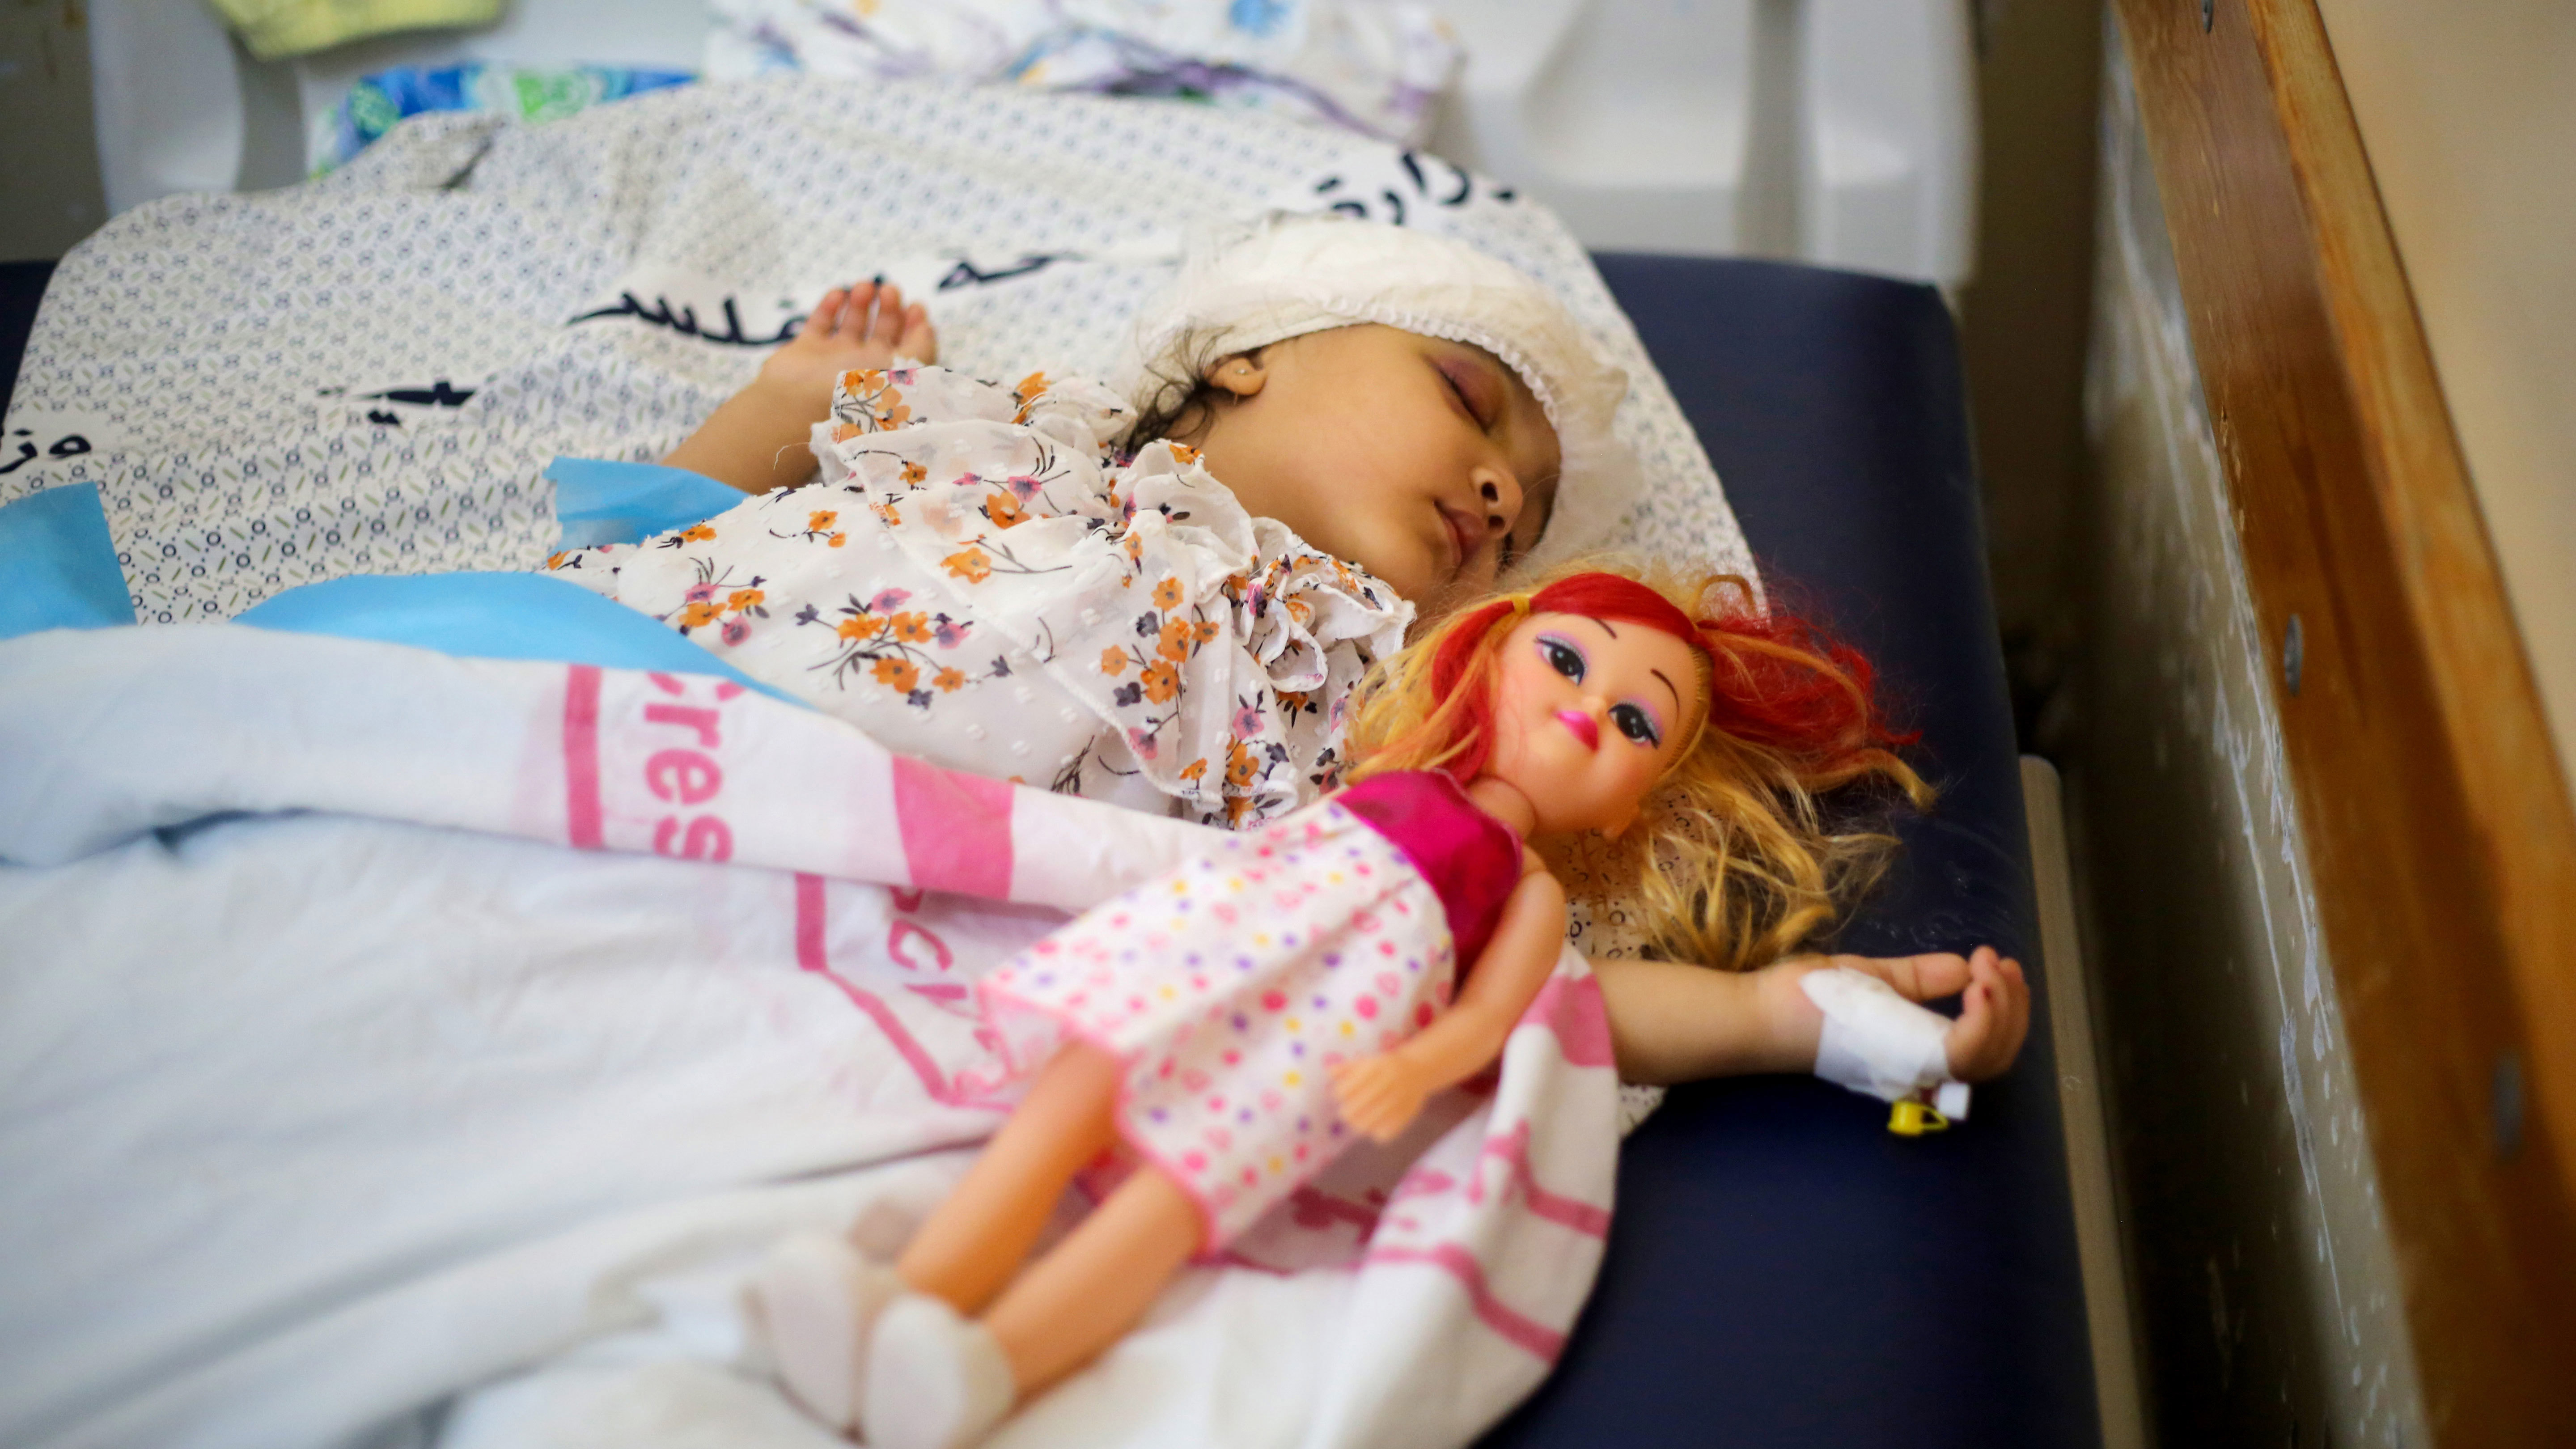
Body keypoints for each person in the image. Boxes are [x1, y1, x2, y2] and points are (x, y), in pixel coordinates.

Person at [543, 214, 2028, 1211]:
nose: (1505, 490)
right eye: (1467, 399)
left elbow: (1490, 973)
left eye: (1524, 522)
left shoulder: (1359, 714)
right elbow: (680, 534)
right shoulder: (1011, 441)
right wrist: (795, 396)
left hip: (846, 909)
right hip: (619, 696)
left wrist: (1799, 1022)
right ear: (1244, 357)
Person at [747, 564, 2019, 1449]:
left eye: (1634, 720)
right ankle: (903, 1295)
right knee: (1067, 1099)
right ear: (1491, 650)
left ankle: (988, 1368)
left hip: (1322, 1044)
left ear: (1631, 807)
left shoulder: (1520, 891)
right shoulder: (1365, 777)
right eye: (1566, 661)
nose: (1584, 705)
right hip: (1196, 950)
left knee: (1172, 1193)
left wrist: (1912, 1039)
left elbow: (1563, 1006)